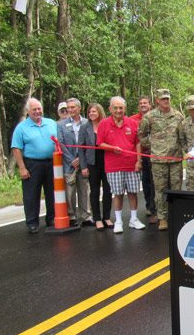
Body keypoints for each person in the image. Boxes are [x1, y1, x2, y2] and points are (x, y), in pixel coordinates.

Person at [97, 96, 146, 234]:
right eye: (116, 108)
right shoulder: (104, 124)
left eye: (121, 108)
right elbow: (100, 143)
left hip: (131, 164)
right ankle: (118, 221)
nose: (118, 110)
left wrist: (139, 160)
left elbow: (138, 142)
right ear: (110, 109)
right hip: (113, 166)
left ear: (125, 109)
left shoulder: (132, 123)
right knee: (117, 194)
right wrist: (112, 148)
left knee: (133, 193)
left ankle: (134, 219)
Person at [138, 88, 183, 231]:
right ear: (157, 100)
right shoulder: (149, 116)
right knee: (160, 190)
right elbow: (142, 134)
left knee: (176, 189)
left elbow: (182, 135)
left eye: (167, 98)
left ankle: (176, 215)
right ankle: (162, 218)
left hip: (175, 159)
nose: (166, 101)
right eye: (163, 99)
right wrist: (153, 146)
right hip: (158, 160)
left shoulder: (177, 116)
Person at [11, 98, 57, 233]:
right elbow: (16, 148)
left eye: (39, 109)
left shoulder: (51, 123)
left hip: (51, 163)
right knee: (31, 194)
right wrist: (22, 167)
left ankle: (52, 218)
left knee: (52, 193)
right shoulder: (21, 127)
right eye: (34, 109)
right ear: (28, 112)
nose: (37, 112)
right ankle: (32, 222)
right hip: (32, 164)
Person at [57, 97, 92, 227]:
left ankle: (86, 215)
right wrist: (72, 159)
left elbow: (90, 142)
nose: (70, 110)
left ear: (79, 108)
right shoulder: (61, 124)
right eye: (68, 108)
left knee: (84, 189)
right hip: (69, 163)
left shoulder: (87, 123)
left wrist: (81, 159)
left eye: (73, 107)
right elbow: (60, 143)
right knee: (69, 191)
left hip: (83, 162)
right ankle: (71, 215)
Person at [79, 103, 113, 231]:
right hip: (92, 163)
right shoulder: (84, 127)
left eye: (94, 111)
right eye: (89, 112)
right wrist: (83, 166)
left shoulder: (106, 125)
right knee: (94, 191)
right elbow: (81, 148)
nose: (91, 114)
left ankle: (107, 217)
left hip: (107, 161)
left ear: (100, 112)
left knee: (108, 190)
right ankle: (97, 218)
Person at [130, 96, 156, 222]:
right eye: (140, 103)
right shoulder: (133, 120)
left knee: (155, 183)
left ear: (150, 104)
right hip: (141, 155)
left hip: (156, 155)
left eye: (145, 103)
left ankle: (156, 207)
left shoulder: (156, 116)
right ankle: (148, 206)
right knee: (145, 182)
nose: (143, 105)